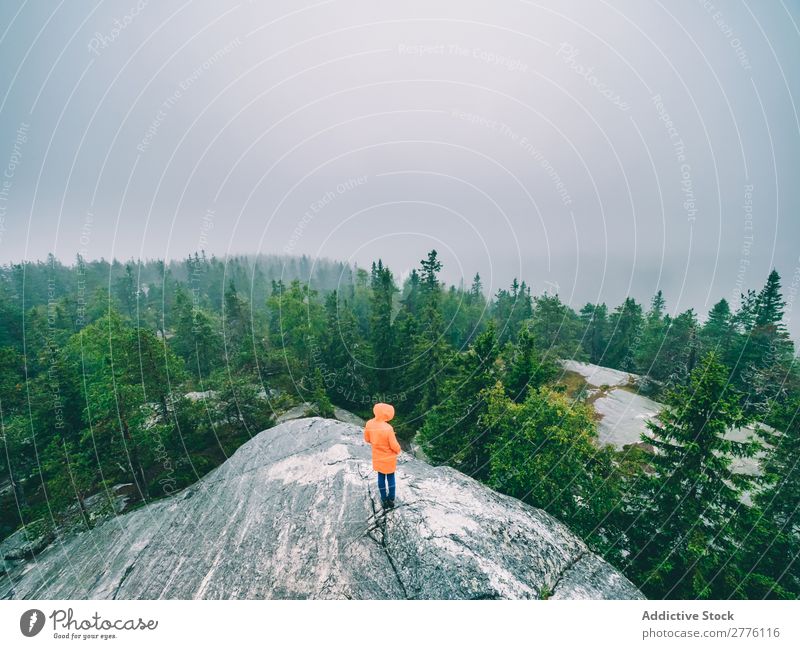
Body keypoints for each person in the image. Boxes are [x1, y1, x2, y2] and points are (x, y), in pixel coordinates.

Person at [363, 402, 401, 509]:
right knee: (391, 477)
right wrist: (398, 450)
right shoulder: (388, 428)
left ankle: (384, 499)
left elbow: (367, 439)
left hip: (377, 456)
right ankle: (391, 498)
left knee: (380, 477)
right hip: (389, 458)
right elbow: (394, 445)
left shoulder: (369, 423)